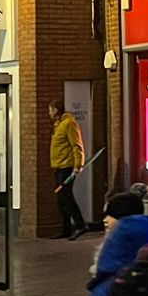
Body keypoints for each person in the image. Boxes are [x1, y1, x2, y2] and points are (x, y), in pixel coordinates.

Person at [48, 100, 90, 240]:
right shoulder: (58, 125)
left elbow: (76, 146)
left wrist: (78, 165)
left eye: (50, 110)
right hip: (59, 166)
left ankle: (80, 225)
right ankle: (66, 229)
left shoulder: (69, 124)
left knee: (66, 196)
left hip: (67, 166)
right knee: (61, 199)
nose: (49, 113)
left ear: (55, 110)